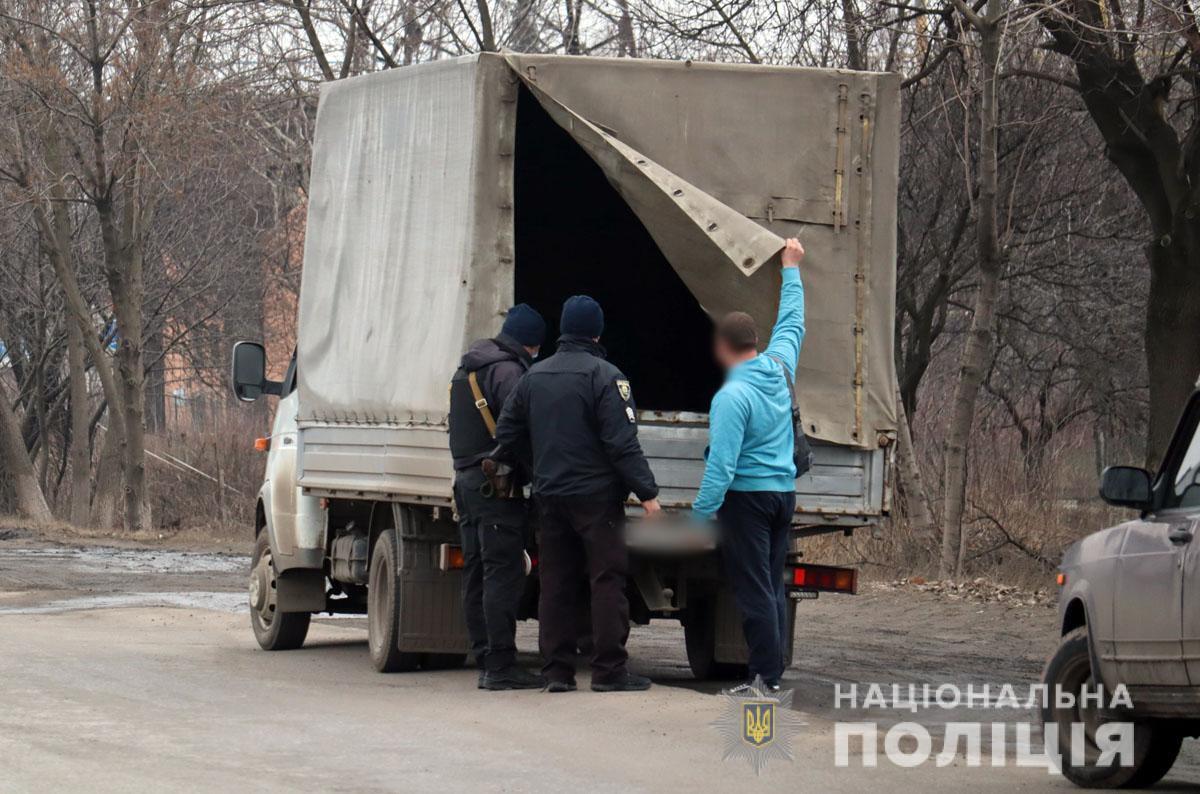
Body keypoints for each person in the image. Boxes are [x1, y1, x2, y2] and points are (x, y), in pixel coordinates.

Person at [495, 295, 661, 693]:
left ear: (563, 331)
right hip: (597, 498)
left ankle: (556, 673)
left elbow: (506, 432)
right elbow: (622, 444)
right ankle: (608, 672)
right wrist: (648, 494)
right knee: (606, 580)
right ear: (597, 333)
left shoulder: (533, 377)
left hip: (550, 496)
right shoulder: (606, 377)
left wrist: (539, 466)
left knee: (556, 582)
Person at [691, 238, 806, 692]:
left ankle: (765, 678)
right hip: (783, 496)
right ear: (754, 343)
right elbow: (792, 324)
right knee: (772, 586)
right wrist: (790, 270)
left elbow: (721, 467)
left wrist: (700, 517)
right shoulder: (778, 368)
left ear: (722, 348)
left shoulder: (731, 397)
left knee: (754, 589)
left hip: (749, 502)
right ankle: (771, 673)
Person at [448, 304, 547, 690]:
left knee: (476, 572)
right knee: (502, 574)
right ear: (533, 344)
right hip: (496, 487)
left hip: (467, 483)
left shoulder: (468, 368)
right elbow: (521, 428)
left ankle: (486, 657)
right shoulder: (508, 372)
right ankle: (502, 666)